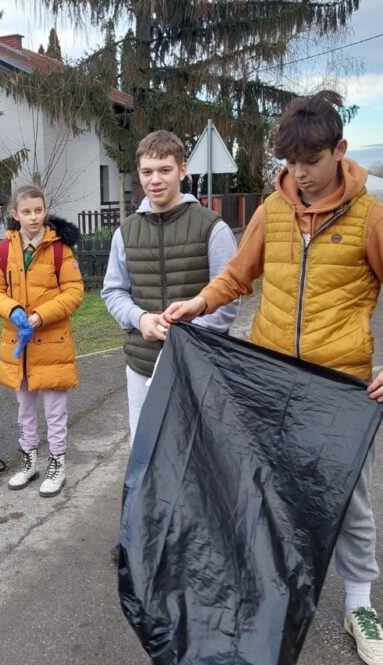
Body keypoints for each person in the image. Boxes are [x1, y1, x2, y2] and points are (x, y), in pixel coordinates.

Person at [163, 90, 383, 665]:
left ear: (339, 150)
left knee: (347, 505)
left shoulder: (375, 219)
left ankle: (359, 604)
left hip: (337, 392)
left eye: (310, 163)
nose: (299, 175)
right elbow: (238, 277)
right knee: (262, 493)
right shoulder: (271, 210)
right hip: (268, 383)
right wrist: (199, 302)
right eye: (289, 164)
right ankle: (263, 593)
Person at [100, 130, 240, 449]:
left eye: (165, 170)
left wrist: (185, 340)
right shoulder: (126, 232)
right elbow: (113, 291)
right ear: (139, 173)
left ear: (182, 169)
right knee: (147, 453)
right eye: (147, 172)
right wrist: (140, 319)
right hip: (143, 366)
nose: (155, 180)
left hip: (201, 366)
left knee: (199, 455)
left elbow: (229, 298)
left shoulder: (212, 227)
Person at [0, 185, 85, 497]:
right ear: (15, 214)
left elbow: (74, 292)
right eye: (26, 212)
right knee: (24, 409)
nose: (33, 217)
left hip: (53, 344)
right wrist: (12, 309)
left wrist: (41, 315)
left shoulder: (59, 249)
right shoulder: (2, 251)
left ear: (46, 210)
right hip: (20, 348)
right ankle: (29, 460)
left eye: (38, 211)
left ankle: (58, 463)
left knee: (55, 412)